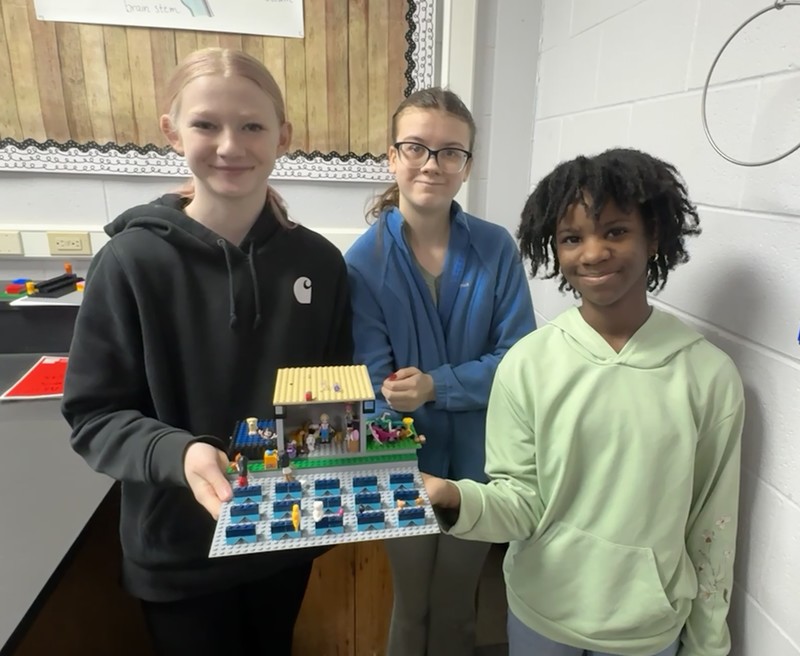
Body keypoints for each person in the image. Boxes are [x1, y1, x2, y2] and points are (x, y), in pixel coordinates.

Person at [61, 47, 352, 656]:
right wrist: (182, 452)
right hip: (178, 554)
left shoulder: (319, 264)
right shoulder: (130, 262)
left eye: (252, 125)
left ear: (283, 136)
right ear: (172, 132)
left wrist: (353, 452)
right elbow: (94, 416)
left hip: (282, 538)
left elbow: (329, 393)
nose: (230, 145)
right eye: (206, 124)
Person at [422, 148, 745, 656]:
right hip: (540, 615)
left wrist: (709, 644)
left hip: (648, 630)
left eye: (615, 231)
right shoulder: (527, 364)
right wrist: (456, 498)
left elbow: (713, 526)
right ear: (554, 249)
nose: (592, 253)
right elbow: (520, 502)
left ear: (653, 235)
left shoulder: (708, 376)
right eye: (572, 238)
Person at [345, 87, 536, 656]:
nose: (432, 164)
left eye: (450, 152)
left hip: (483, 464)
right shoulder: (362, 262)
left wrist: (436, 385)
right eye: (417, 148)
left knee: (459, 602)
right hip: (403, 464)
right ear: (392, 156)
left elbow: (519, 360)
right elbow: (372, 382)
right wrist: (395, 403)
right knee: (412, 605)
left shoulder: (497, 248)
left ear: (467, 165)